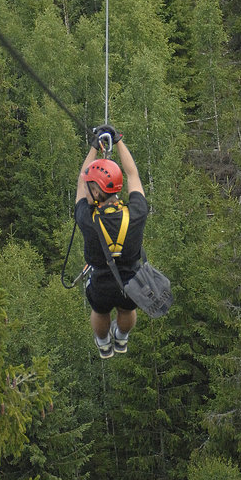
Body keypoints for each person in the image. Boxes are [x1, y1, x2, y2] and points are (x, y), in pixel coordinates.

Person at [75, 125, 148, 357]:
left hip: (101, 281)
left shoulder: (88, 219)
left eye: (90, 187)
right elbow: (133, 174)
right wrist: (117, 141)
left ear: (96, 194)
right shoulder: (136, 213)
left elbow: (80, 180)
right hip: (132, 280)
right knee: (127, 309)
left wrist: (94, 147)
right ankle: (122, 338)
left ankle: (104, 341)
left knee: (100, 310)